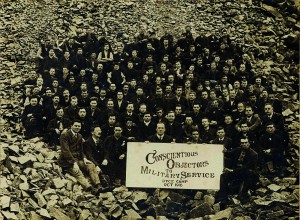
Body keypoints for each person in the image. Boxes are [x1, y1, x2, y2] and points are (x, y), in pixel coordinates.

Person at [58, 120, 103, 194]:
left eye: (79, 126)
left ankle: (98, 185)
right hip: (67, 161)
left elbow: (81, 150)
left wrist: (85, 158)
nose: (77, 127)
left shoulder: (79, 136)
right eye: (76, 125)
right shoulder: (65, 135)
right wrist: (73, 163)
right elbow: (65, 151)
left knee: (91, 165)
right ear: (71, 126)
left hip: (78, 159)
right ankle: (90, 188)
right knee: (78, 172)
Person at [216, 138, 258, 204]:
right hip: (237, 172)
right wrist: (225, 151)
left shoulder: (253, 154)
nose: (244, 144)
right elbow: (229, 153)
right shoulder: (238, 150)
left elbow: (246, 167)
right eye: (242, 143)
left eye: (245, 142)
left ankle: (243, 196)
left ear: (249, 143)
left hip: (248, 174)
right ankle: (223, 196)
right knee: (223, 176)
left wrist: (232, 170)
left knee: (249, 173)